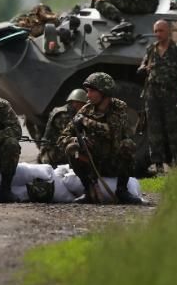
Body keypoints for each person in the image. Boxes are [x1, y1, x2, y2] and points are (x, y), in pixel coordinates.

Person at [57, 72, 142, 204]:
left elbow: (112, 132)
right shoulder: (85, 110)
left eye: (91, 91)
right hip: (93, 163)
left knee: (127, 144)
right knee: (72, 148)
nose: (87, 95)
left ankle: (122, 191)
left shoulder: (119, 107)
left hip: (113, 162)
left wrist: (85, 121)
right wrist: (77, 140)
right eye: (87, 91)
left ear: (104, 92)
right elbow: (62, 137)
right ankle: (88, 190)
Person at [137, 20, 177, 171]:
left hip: (171, 94)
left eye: (161, 31)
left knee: (174, 129)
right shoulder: (151, 49)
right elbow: (142, 65)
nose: (158, 34)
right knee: (154, 129)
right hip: (152, 94)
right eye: (155, 31)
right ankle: (158, 164)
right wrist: (143, 68)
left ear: (168, 31)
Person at [38, 89, 87, 168]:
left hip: (57, 150)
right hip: (52, 155)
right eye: (83, 104)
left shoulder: (71, 112)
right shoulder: (63, 115)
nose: (84, 107)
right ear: (75, 102)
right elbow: (68, 137)